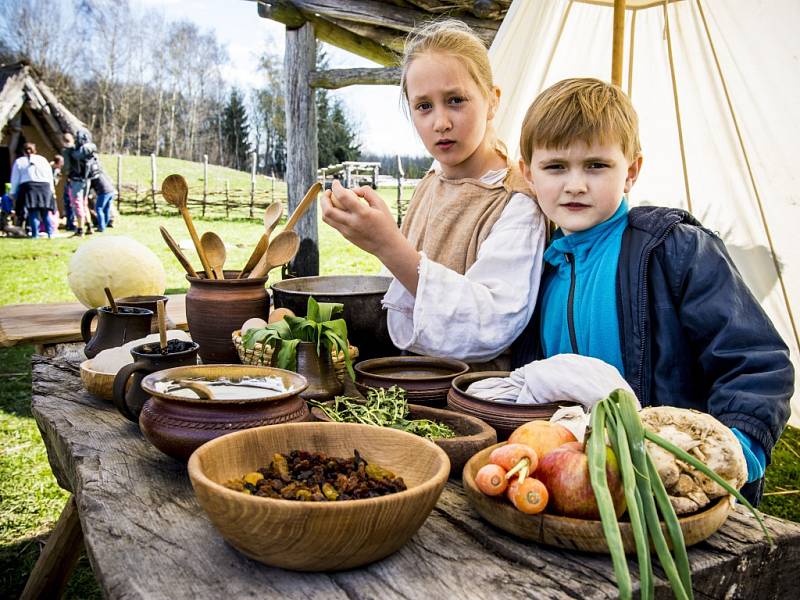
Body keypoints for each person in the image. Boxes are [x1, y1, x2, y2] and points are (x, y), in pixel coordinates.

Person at [511, 77, 793, 505]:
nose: (575, 184)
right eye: (555, 167)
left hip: (673, 488)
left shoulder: (673, 249)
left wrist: (733, 455)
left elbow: (755, 361)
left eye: (596, 165)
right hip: (584, 488)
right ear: (528, 173)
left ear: (632, 171)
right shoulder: (538, 269)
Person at [321, 20, 546, 368]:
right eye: (424, 106)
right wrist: (381, 234)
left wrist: (387, 244)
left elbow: (491, 324)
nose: (440, 122)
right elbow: (406, 292)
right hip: (412, 378)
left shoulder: (516, 203)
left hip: (477, 395)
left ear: (491, 101)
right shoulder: (431, 181)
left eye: (455, 100)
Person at [9, 142, 56, 238]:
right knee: (45, 212)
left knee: (33, 212)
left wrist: (12, 192)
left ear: (23, 151)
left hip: (29, 188)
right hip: (45, 187)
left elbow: (15, 178)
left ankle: (35, 235)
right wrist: (52, 190)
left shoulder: (19, 161)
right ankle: (50, 234)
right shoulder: (43, 160)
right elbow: (49, 176)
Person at [62, 129, 99, 237]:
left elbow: (66, 168)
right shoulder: (88, 150)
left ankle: (80, 229)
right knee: (84, 203)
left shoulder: (71, 151)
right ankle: (89, 226)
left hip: (76, 180)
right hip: (87, 179)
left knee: (77, 204)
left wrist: (67, 174)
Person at [89, 168, 115, 232]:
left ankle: (101, 227)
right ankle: (105, 224)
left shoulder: (91, 177)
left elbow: (90, 187)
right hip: (111, 191)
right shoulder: (101, 173)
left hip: (104, 192)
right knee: (106, 209)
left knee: (99, 208)